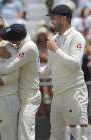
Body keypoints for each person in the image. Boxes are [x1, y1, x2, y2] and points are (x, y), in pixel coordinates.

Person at [42, 4, 88, 140]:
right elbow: (48, 69)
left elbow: (75, 64)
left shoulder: (77, 37)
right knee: (56, 135)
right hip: (58, 94)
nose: (51, 21)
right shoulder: (55, 39)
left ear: (63, 19)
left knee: (80, 135)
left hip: (74, 93)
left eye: (54, 18)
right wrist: (27, 72)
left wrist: (56, 49)